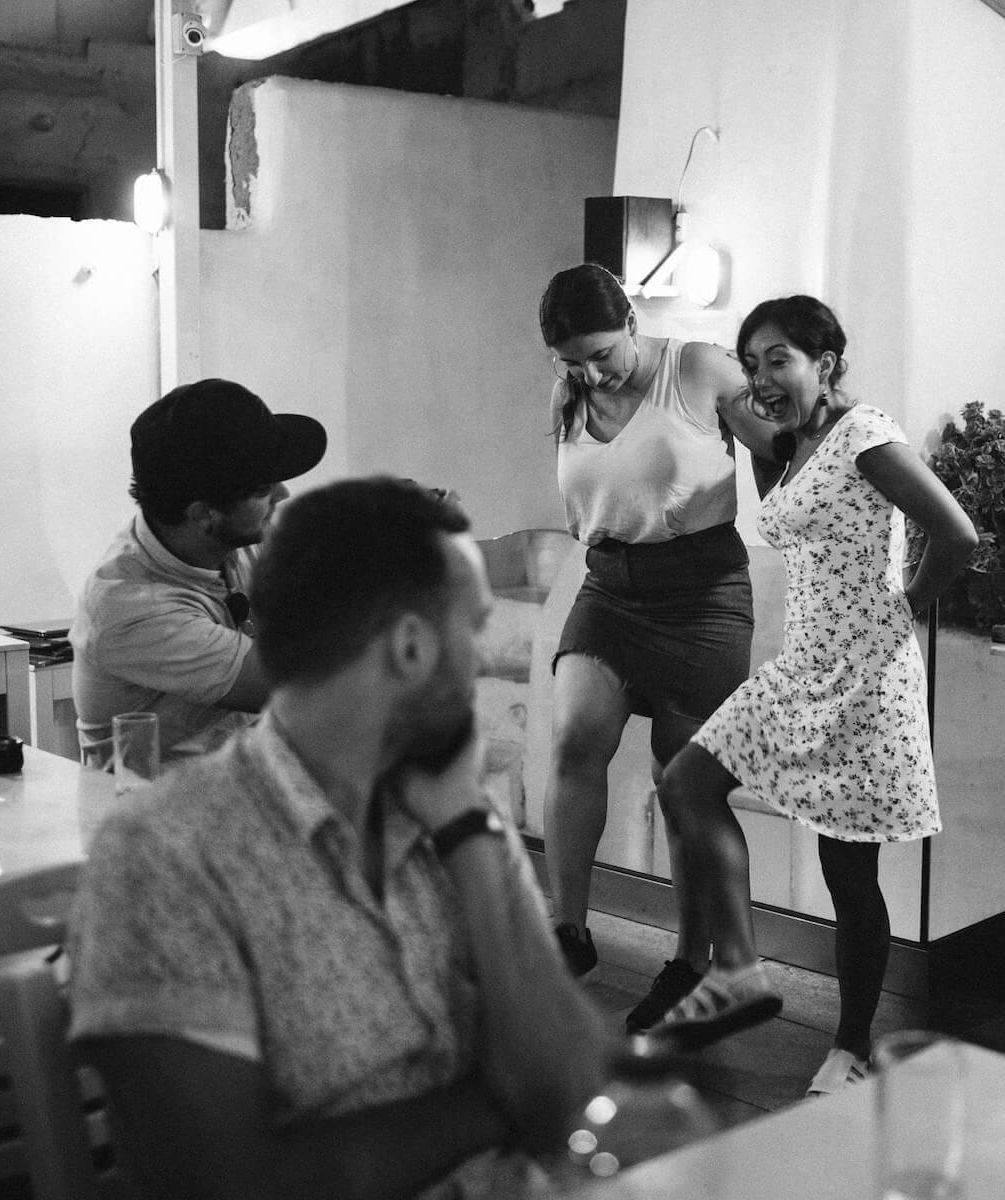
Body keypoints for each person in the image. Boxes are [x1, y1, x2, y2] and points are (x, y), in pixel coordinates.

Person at [68, 476, 609, 1200]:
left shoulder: (452, 807)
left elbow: (570, 1083)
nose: (480, 662)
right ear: (412, 648)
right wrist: (503, 1103)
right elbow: (229, 1187)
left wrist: (470, 835)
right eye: (472, 628)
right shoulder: (170, 852)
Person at [646, 296, 978, 1094]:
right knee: (687, 781)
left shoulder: (864, 435)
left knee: (847, 871)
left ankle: (853, 1046)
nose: (763, 377)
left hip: (866, 679)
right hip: (802, 670)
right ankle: (742, 971)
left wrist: (902, 608)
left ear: (826, 363)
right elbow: (721, 396)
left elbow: (957, 535)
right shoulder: (794, 444)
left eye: (780, 359)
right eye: (754, 360)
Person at [537, 262, 775, 1033]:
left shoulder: (698, 368)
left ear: (633, 322)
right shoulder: (571, 391)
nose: (592, 371)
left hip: (702, 592)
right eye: (572, 360)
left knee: (684, 782)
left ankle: (690, 964)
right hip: (609, 585)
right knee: (575, 736)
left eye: (603, 352)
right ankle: (567, 931)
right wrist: (578, 379)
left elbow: (781, 449)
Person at [71, 378, 327, 769]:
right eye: (262, 489)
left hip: (243, 797)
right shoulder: (130, 607)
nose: (283, 495)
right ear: (203, 513)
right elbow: (303, 687)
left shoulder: (238, 538)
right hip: (158, 819)